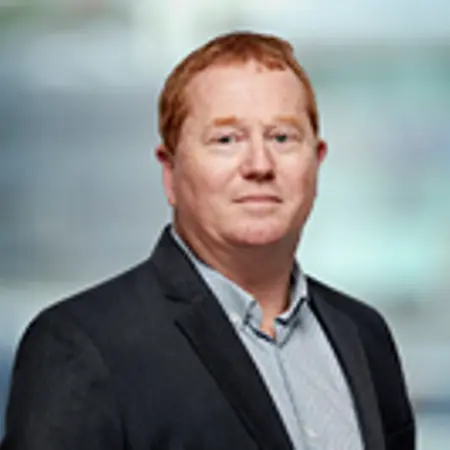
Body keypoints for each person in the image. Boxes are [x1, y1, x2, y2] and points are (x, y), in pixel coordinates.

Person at [1, 31, 415, 450]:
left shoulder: (364, 335)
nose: (259, 164)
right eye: (226, 139)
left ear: (316, 162)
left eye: (282, 137)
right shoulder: (81, 344)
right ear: (171, 172)